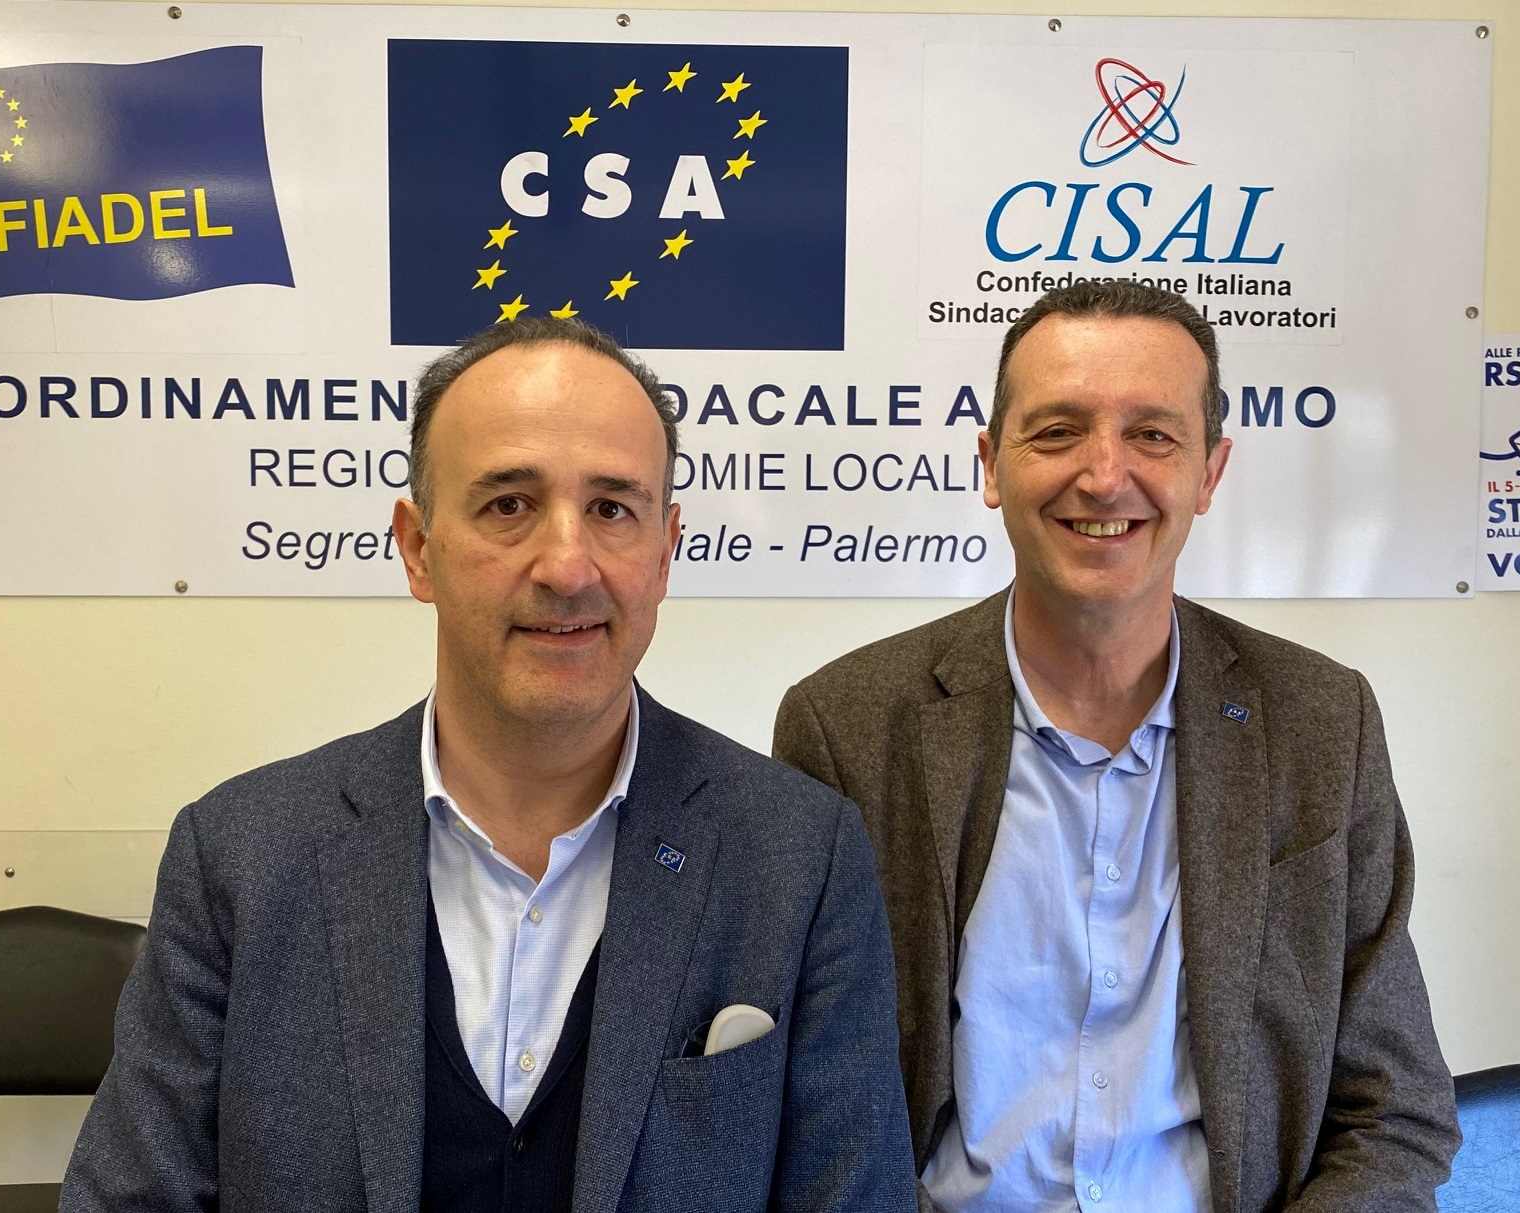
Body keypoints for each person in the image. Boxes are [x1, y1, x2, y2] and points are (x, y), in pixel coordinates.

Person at [62, 317, 915, 1212]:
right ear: (417, 548)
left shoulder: (799, 855)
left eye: (612, 509)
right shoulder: (240, 853)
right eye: (508, 504)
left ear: (665, 552)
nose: (567, 566)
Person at [773, 281, 1459, 1212]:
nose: (1103, 476)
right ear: (990, 464)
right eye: (1057, 431)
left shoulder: (1319, 724)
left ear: (1209, 473)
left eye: (1152, 435)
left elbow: (1394, 1109)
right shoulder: (845, 727)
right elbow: (810, 1109)